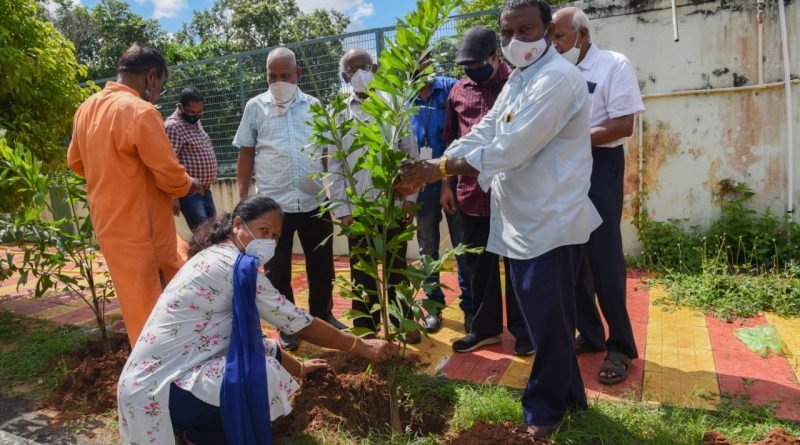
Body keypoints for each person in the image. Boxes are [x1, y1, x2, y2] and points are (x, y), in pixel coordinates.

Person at [397, 0, 601, 438]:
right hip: (524, 219)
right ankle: (571, 398)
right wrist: (441, 160)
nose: (515, 41)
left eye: (526, 30)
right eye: (507, 33)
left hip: (551, 220)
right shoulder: (520, 80)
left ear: (548, 30)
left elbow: (512, 149)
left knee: (547, 322)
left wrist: (440, 170)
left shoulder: (558, 80)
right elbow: (487, 130)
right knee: (552, 319)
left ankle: (543, 412)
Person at [117, 195, 395, 445]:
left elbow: (248, 339)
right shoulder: (231, 267)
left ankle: (199, 435)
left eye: (275, 235)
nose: (270, 241)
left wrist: (297, 367)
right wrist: (361, 345)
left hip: (150, 387)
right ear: (237, 224)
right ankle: (199, 434)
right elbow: (298, 323)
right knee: (256, 373)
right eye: (263, 230)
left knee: (247, 362)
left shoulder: (214, 257)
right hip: (157, 395)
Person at [68, 43, 205, 346]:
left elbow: (76, 163)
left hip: (109, 227)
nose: (158, 94)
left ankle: (150, 372)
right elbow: (170, 177)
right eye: (161, 86)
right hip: (144, 232)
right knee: (162, 309)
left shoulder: (86, 108)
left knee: (136, 306)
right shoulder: (141, 112)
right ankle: (162, 379)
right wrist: (191, 184)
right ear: (152, 76)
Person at [552, 6, 645, 385]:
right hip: (562, 171)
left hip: (600, 166)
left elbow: (623, 123)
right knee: (569, 253)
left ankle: (620, 345)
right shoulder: (555, 72)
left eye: (558, 36)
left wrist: (571, 140)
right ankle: (589, 335)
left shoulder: (613, 65)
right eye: (550, 37)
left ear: (582, 34)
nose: (553, 44)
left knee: (603, 256)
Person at [233, 47, 345, 351]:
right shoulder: (255, 107)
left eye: (285, 75)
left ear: (298, 74)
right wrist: (243, 199)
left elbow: (328, 154)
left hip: (314, 200)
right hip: (272, 207)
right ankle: (288, 326)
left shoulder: (315, 106)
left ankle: (322, 314)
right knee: (277, 270)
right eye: (273, 76)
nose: (278, 80)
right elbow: (245, 151)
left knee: (321, 266)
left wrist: (335, 193)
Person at [443, 26, 533, 356]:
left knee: (517, 267)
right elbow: (452, 142)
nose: (471, 72)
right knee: (477, 266)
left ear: (496, 57)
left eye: (477, 65)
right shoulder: (458, 91)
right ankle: (485, 329)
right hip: (471, 195)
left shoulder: (519, 85)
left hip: (511, 195)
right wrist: (446, 185)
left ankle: (524, 331)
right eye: (465, 67)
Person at [327, 49, 423, 343]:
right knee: (362, 273)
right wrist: (342, 209)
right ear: (344, 77)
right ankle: (367, 329)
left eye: (364, 67)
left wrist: (410, 199)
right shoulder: (337, 113)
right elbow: (333, 164)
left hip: (393, 205)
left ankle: (403, 323)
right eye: (352, 70)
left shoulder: (395, 105)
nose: (359, 73)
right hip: (358, 210)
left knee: (397, 269)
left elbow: (411, 155)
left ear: (377, 68)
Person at [410, 61, 471, 333]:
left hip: (453, 180)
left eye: (425, 60)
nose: (420, 67)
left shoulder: (450, 88)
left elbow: (459, 137)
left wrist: (447, 182)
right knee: (427, 249)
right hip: (421, 185)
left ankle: (471, 309)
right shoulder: (402, 99)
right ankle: (433, 307)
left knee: (463, 247)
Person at [165, 86, 219, 231]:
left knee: (214, 232)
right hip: (189, 194)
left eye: (199, 112)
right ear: (181, 107)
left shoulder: (194, 121)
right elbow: (170, 162)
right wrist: (174, 196)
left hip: (205, 191)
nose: (195, 116)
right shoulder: (173, 126)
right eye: (192, 112)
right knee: (203, 234)